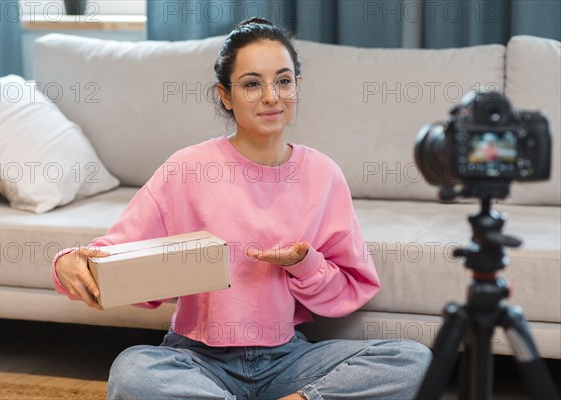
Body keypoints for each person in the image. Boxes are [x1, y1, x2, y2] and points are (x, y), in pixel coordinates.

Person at [52, 17, 431, 400]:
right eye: (252, 84)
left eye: (284, 80)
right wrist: (68, 261)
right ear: (226, 95)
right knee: (133, 371)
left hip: (287, 359)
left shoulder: (323, 174)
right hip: (196, 359)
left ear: (297, 86)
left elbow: (350, 287)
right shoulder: (187, 167)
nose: (271, 96)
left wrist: (304, 263)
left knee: (412, 359)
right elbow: (115, 252)